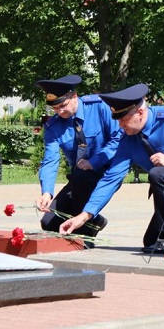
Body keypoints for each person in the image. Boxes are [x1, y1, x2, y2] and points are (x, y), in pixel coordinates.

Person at [59, 83, 164, 253]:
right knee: (151, 240)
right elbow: (110, 179)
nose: (120, 125)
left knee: (158, 174)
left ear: (140, 113)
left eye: (124, 120)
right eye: (118, 120)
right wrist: (84, 216)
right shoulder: (128, 140)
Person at [34, 74, 121, 241]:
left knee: (80, 181)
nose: (59, 111)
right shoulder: (53, 126)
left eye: (62, 105)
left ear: (74, 96)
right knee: (49, 223)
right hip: (79, 177)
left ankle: (84, 237)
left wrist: (94, 162)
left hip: (107, 170)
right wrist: (46, 192)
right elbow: (50, 160)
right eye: (55, 108)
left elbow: (118, 138)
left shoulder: (99, 107)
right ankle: (96, 221)